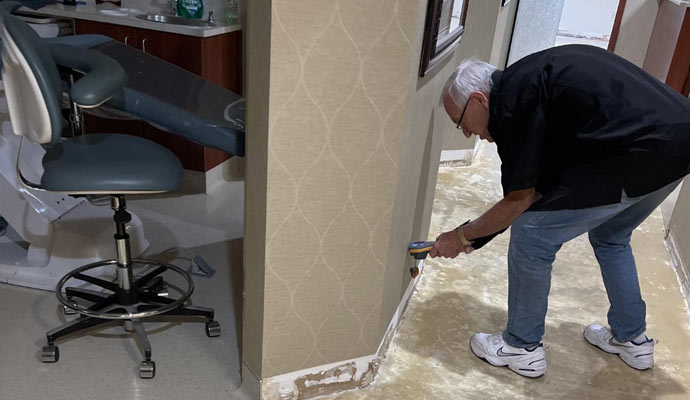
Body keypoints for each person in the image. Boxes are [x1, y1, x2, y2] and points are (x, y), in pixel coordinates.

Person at [432, 44, 690, 378]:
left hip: (640, 150)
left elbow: (519, 200)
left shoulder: (515, 105)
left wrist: (461, 236)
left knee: (531, 235)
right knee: (611, 235)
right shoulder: (526, 84)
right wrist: (475, 239)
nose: (466, 132)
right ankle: (632, 339)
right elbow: (537, 187)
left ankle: (521, 346)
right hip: (679, 142)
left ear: (480, 100)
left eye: (460, 122)